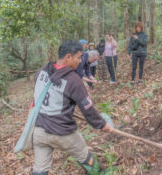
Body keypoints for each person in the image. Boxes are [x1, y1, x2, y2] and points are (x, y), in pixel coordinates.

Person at [30, 41, 111, 175]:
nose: (80, 61)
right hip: (62, 132)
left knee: (39, 170)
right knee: (84, 156)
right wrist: (102, 124)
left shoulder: (42, 71)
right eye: (78, 57)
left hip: (39, 131)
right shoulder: (73, 80)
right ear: (68, 57)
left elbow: (38, 94)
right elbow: (88, 109)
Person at [127, 22, 148, 86]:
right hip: (135, 53)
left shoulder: (145, 35)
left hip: (142, 53)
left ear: (141, 28)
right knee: (134, 67)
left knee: (141, 67)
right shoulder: (133, 35)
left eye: (139, 27)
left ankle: (140, 80)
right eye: (137, 27)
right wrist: (128, 53)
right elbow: (130, 45)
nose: (138, 29)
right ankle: (132, 81)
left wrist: (137, 39)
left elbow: (144, 44)